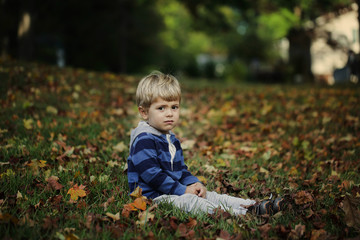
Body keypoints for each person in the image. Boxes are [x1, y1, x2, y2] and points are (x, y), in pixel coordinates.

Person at [127, 71, 283, 216]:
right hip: (152, 197)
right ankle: (241, 214)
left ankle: (253, 205)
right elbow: (152, 175)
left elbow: (181, 170)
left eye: (174, 107)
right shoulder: (144, 139)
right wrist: (183, 190)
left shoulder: (171, 139)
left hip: (173, 191)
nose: (169, 113)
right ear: (144, 112)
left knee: (209, 195)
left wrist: (194, 184)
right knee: (191, 201)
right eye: (161, 108)